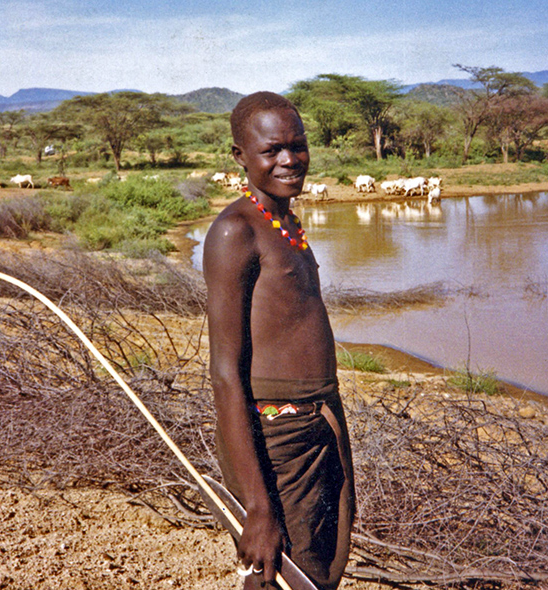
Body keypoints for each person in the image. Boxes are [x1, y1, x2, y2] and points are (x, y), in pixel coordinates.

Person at [203, 91, 355, 590]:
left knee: (315, 569)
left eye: (298, 145)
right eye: (271, 150)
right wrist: (257, 506)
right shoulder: (235, 231)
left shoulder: (284, 220)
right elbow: (225, 372)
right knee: (281, 573)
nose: (289, 159)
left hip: (318, 419)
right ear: (240, 157)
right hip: (278, 436)